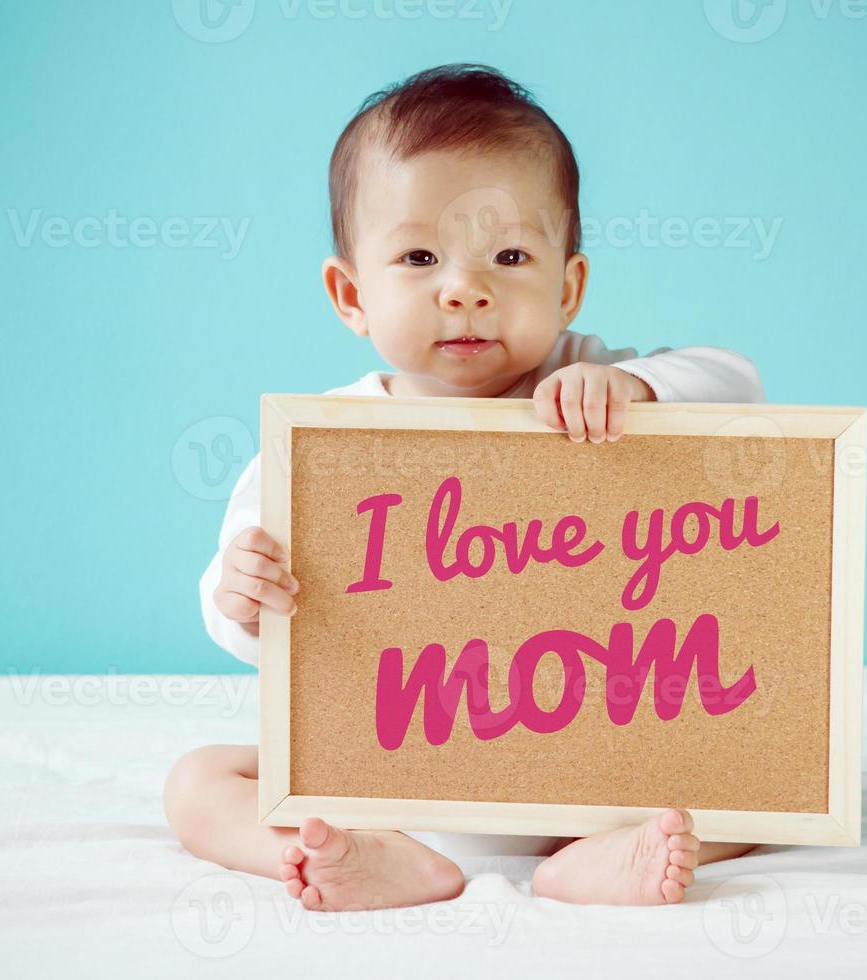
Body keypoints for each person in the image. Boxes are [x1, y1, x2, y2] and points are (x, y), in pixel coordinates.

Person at [164, 63, 765, 911]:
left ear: (566, 287)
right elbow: (247, 613)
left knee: (772, 778)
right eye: (418, 257)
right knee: (196, 782)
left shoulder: (588, 387)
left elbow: (738, 383)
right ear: (350, 294)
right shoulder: (324, 447)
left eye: (510, 255)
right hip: (383, 783)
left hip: (588, 772)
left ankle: (592, 859)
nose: (465, 288)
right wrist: (240, 593)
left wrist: (641, 390)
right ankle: (350, 858)